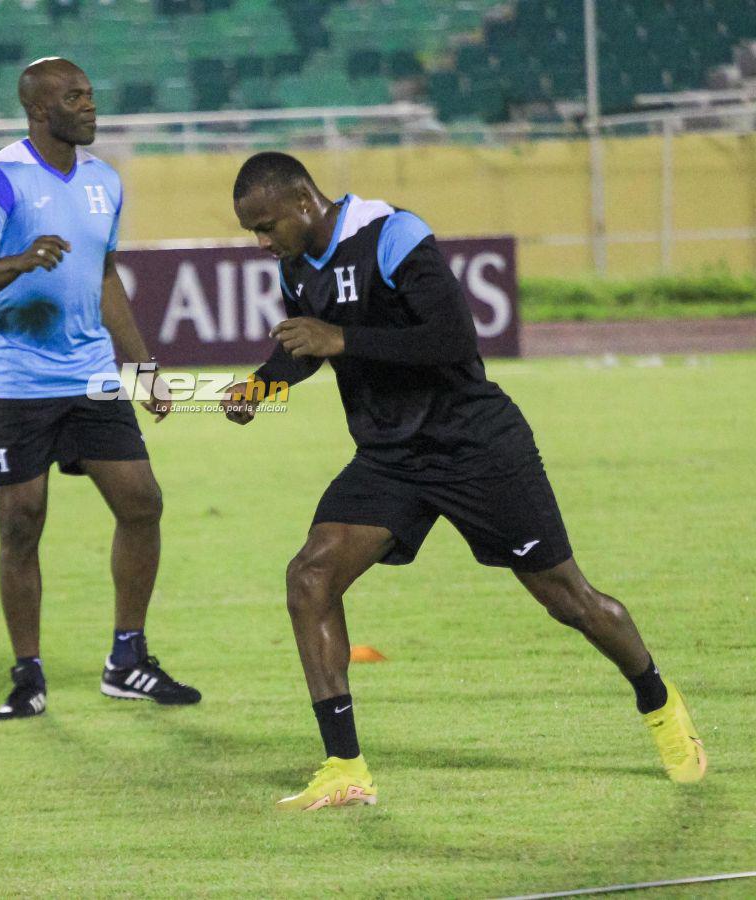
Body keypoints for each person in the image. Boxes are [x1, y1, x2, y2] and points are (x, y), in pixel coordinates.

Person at [222, 151, 705, 811]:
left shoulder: (390, 232)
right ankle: (344, 767)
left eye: (266, 224)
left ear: (304, 202)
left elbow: (452, 337)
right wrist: (263, 383)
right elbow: (306, 346)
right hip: (391, 456)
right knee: (310, 576)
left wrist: (344, 339)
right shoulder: (294, 266)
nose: (261, 242)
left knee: (570, 602)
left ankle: (656, 698)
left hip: (474, 443)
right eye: (252, 230)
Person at [0, 58, 200, 720]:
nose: (90, 105)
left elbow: (105, 275)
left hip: (88, 374)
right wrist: (20, 260)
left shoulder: (105, 182)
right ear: (38, 110)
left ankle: (127, 658)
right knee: (21, 524)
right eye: (74, 96)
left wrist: (142, 365)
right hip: (17, 380)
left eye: (90, 93)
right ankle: (28, 673)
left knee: (142, 503)